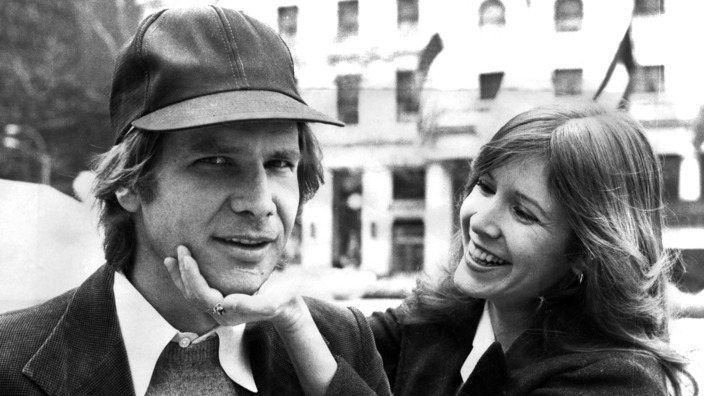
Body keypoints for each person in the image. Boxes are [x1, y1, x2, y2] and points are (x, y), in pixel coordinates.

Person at [0, 6, 389, 396]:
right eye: (216, 162)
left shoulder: (336, 343)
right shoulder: (10, 364)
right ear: (130, 184)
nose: (259, 202)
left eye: (278, 163)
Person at [366, 102, 697, 395]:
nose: (480, 222)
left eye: (522, 212)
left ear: (586, 252)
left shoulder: (616, 380)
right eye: (485, 186)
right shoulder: (438, 319)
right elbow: (341, 335)